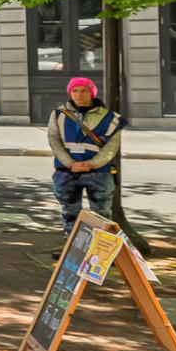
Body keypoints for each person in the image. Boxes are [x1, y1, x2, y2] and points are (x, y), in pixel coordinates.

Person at [48, 76, 123, 233]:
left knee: (101, 214)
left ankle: (100, 245)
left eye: (84, 91)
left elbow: (112, 146)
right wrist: (70, 163)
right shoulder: (58, 114)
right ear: (70, 93)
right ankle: (72, 242)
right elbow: (54, 140)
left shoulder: (110, 117)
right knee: (69, 212)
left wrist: (92, 164)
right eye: (75, 90)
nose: (79, 94)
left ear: (92, 93)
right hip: (67, 171)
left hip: (99, 172)